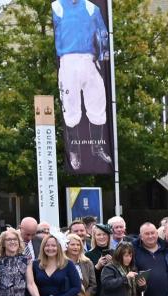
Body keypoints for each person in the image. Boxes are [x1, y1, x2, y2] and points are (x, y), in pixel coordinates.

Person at [52, 0, 112, 170]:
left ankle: (98, 147)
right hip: (68, 60)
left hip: (88, 59)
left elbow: (102, 32)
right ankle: (73, 150)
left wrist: (103, 56)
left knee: (97, 101)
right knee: (70, 106)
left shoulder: (91, 7)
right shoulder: (56, 6)